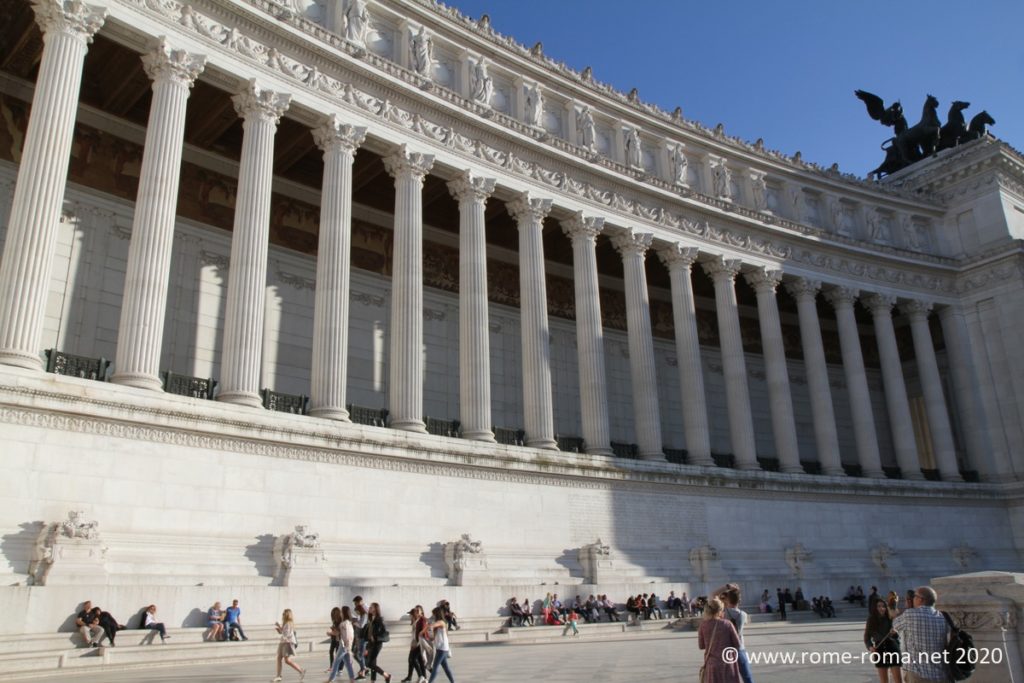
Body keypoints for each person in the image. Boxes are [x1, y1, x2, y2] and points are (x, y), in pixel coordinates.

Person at [892, 586, 949, 683]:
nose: (913, 598)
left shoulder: (910, 614)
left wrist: (909, 608)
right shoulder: (942, 617)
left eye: (914, 596)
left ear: (920, 599)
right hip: (940, 673)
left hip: (918, 674)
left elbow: (895, 625)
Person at [715, 584, 755, 683]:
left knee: (727, 678)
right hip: (740, 647)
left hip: (725, 649)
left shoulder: (723, 613)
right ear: (739, 601)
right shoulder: (744, 615)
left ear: (727, 600)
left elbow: (714, 595)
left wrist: (727, 587)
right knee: (747, 677)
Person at [698, 597, 742, 683]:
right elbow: (737, 644)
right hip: (727, 663)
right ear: (720, 610)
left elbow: (701, 646)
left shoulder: (703, 625)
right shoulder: (727, 624)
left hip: (712, 666)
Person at [864, 595, 902, 683]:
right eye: (879, 606)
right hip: (879, 649)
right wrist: (870, 647)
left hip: (893, 648)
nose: (882, 608)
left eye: (883, 606)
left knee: (898, 680)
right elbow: (867, 638)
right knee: (884, 681)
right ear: (875, 608)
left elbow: (898, 634)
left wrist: (895, 632)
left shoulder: (890, 617)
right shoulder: (871, 620)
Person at [272, 608, 305, 681]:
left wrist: (280, 629)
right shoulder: (285, 623)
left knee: (287, 660)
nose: (282, 615)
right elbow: (283, 633)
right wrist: (279, 628)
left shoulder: (289, 623)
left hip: (287, 643)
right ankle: (278, 675)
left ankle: (301, 670)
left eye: (284, 614)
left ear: (287, 615)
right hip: (283, 642)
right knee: (279, 658)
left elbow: (285, 634)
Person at [326, 605, 357, 683]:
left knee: (336, 662)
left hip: (343, 645)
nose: (340, 613)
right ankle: (352, 679)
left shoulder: (344, 623)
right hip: (346, 645)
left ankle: (330, 679)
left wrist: (330, 633)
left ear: (344, 613)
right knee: (347, 663)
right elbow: (346, 634)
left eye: (341, 611)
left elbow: (344, 635)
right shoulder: (348, 623)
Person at [363, 602, 392, 682]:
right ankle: (373, 680)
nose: (369, 608)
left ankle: (386, 675)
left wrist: (375, 637)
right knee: (372, 663)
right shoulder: (371, 618)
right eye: (370, 607)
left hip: (376, 644)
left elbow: (382, 631)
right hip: (370, 644)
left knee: (370, 664)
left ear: (376, 609)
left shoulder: (379, 619)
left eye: (371, 607)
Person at [426, 606, 454, 683]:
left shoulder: (441, 622)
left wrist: (428, 624)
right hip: (440, 648)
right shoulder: (438, 624)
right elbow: (432, 637)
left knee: (435, 667)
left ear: (437, 614)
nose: (433, 616)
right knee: (446, 668)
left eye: (434, 614)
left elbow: (432, 626)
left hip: (442, 648)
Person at [401, 606, 427, 683]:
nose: (410, 615)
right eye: (416, 611)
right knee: (418, 660)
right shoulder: (416, 621)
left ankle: (421, 676)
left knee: (412, 659)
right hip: (415, 643)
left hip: (419, 643)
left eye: (417, 611)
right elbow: (414, 634)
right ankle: (423, 677)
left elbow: (422, 633)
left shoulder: (422, 620)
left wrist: (416, 644)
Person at [353, 596, 368, 679]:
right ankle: (364, 668)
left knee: (360, 655)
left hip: (363, 637)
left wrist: (354, 622)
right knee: (356, 654)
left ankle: (363, 671)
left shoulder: (364, 614)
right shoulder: (361, 615)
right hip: (359, 637)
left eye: (357, 611)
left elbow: (361, 625)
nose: (357, 613)